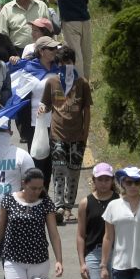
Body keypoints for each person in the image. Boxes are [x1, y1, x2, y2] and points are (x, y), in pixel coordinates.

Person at [0, 168, 63, 279]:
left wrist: (59, 260)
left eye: (40, 188)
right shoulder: (9, 200)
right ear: (23, 184)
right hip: (14, 260)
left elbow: (54, 234)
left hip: (39, 260)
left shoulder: (46, 203)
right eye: (33, 188)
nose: (37, 192)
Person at [39, 46, 92, 223]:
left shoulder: (82, 83)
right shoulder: (52, 82)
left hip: (77, 134)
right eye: (61, 63)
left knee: (74, 171)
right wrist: (42, 108)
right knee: (59, 169)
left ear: (73, 63)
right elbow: (46, 104)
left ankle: (70, 206)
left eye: (68, 63)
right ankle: (59, 206)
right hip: (57, 133)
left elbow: (86, 110)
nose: (65, 66)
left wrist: (85, 133)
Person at [75, 163, 118, 279]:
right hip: (94, 253)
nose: (104, 183)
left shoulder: (119, 200)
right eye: (100, 179)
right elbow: (80, 235)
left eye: (107, 179)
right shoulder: (86, 203)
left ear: (112, 180)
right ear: (94, 180)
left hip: (116, 253)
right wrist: (82, 263)